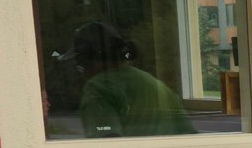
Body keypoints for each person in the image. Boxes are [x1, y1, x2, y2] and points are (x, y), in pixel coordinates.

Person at [58, 21, 196, 137]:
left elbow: (106, 144)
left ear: (88, 60)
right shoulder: (160, 88)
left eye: (79, 63)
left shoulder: (98, 88)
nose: (81, 71)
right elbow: (190, 136)